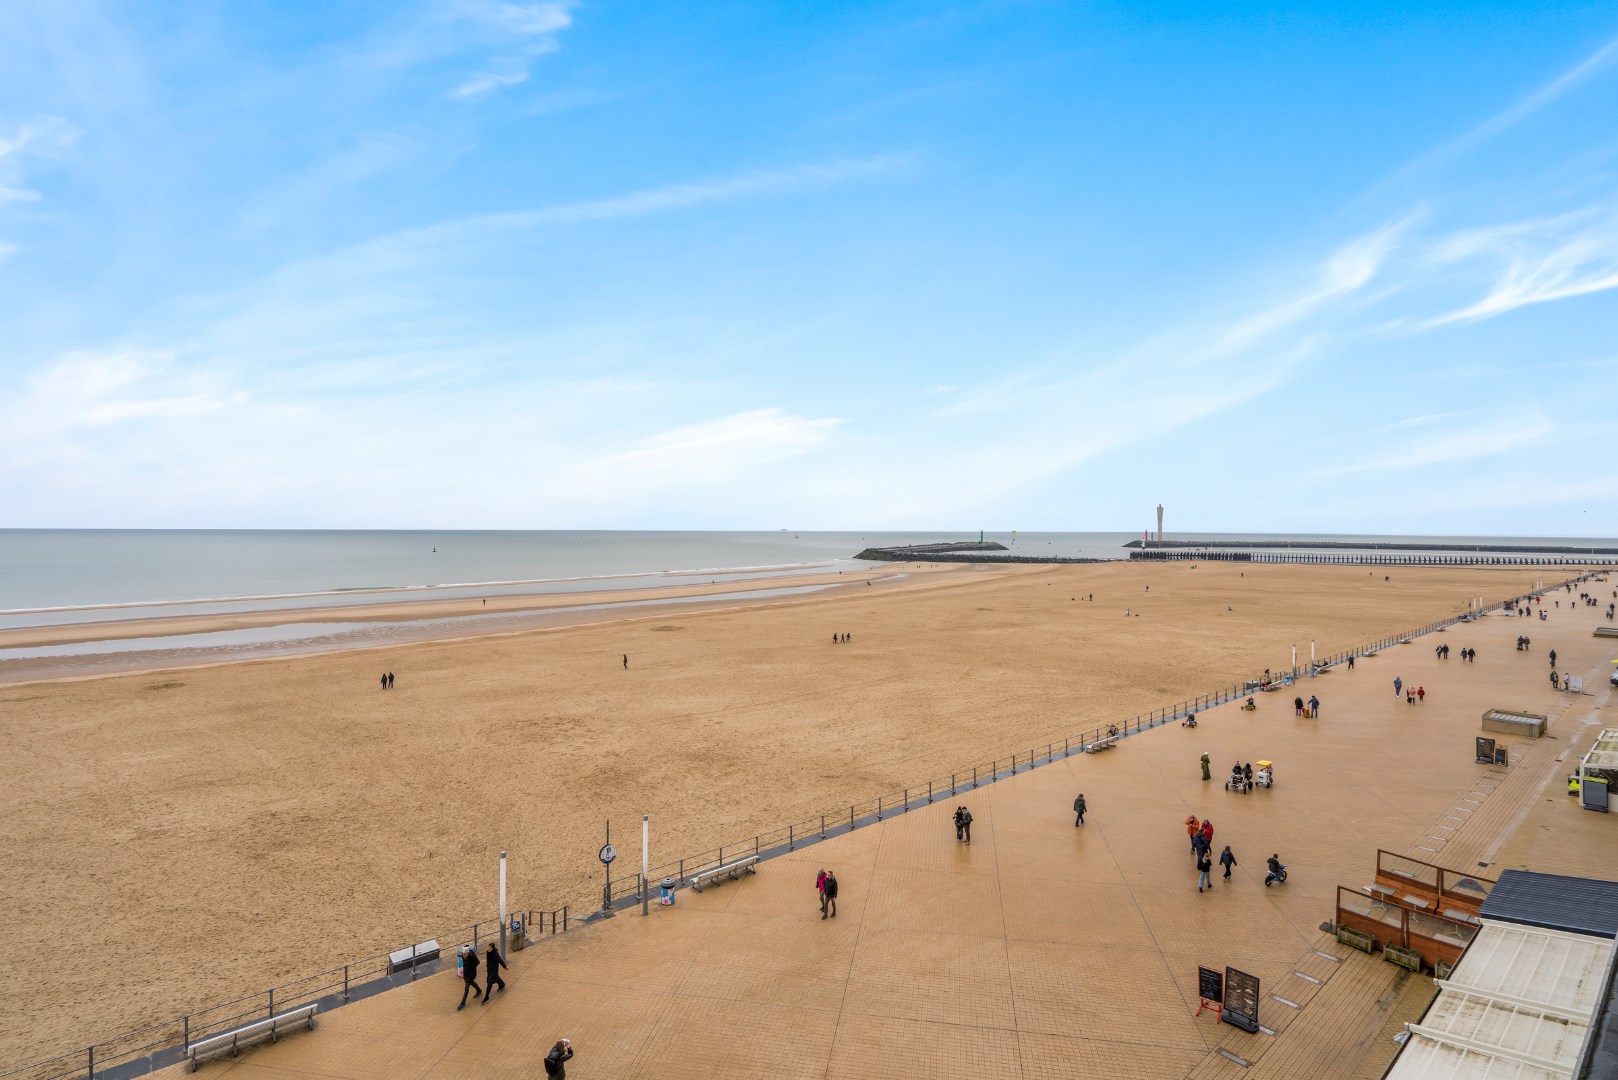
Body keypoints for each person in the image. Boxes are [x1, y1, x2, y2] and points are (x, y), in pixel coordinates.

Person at [456, 944, 482, 1010]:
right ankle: (479, 990)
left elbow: (478, 962)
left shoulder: (472, 957)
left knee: (466, 989)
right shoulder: (463, 955)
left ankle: (462, 1003)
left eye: (465, 954)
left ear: (468, 953)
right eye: (463, 954)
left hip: (471, 975)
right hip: (466, 974)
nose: (463, 955)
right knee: (472, 983)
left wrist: (472, 968)